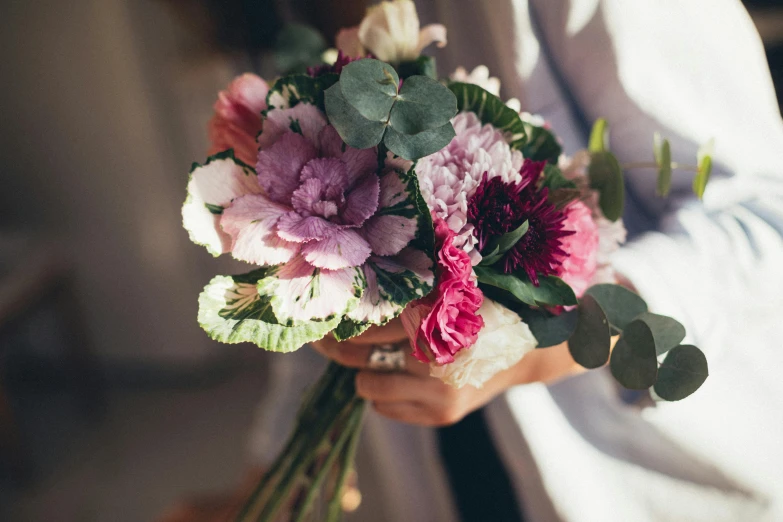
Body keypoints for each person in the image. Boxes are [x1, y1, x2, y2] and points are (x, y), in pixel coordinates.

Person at [163, 0, 783, 520]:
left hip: (652, 478)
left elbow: (766, 220)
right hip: (453, 484)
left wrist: (535, 349)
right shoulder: (271, 16)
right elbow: (322, 287)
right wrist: (268, 478)